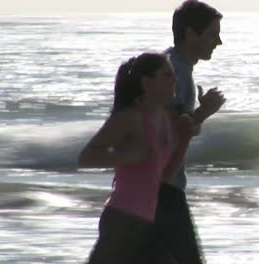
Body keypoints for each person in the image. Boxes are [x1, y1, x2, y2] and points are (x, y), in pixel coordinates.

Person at [78, 52, 195, 264]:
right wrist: (129, 156)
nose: (175, 80)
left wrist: (185, 139)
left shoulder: (163, 118)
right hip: (122, 219)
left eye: (174, 75)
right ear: (146, 83)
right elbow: (86, 157)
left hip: (146, 223)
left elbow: (165, 178)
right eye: (167, 75)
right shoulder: (131, 117)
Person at [154, 1, 225, 264]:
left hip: (158, 185)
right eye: (212, 34)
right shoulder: (173, 71)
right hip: (163, 188)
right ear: (190, 34)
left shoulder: (176, 66)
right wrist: (205, 110)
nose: (218, 42)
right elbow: (174, 131)